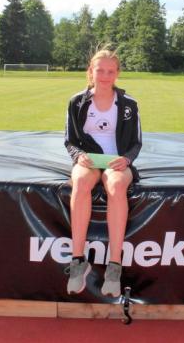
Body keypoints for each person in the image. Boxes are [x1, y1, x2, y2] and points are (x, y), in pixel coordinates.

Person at [63, 49, 142, 298]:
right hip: (89, 161)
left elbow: (136, 143)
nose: (105, 76)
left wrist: (126, 159)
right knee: (80, 181)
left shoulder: (129, 104)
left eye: (110, 71)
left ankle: (114, 266)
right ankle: (78, 260)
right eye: (100, 70)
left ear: (117, 73)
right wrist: (79, 156)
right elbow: (70, 140)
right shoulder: (77, 102)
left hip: (117, 162)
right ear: (91, 71)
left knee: (116, 185)